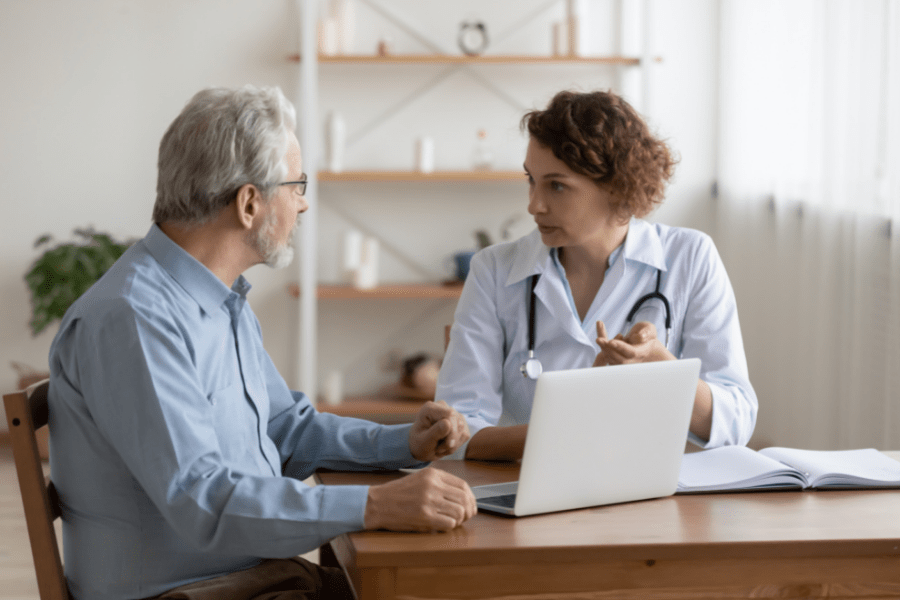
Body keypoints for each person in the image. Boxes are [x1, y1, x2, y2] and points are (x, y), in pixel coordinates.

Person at [47, 85, 475, 600]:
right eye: (296, 184)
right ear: (249, 202)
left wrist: (402, 442)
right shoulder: (133, 319)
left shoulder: (219, 301)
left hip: (252, 581)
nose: (304, 203)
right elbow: (200, 498)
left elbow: (284, 429)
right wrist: (377, 505)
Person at [436, 90, 757, 461]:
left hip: (654, 495)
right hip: (525, 488)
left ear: (619, 188)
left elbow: (735, 422)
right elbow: (456, 432)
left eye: (556, 185)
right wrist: (570, 429)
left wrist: (662, 369)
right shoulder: (494, 270)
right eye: (531, 180)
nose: (534, 205)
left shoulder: (690, 257)